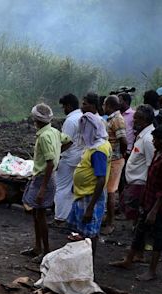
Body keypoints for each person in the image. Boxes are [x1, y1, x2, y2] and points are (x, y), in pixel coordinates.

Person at [110, 127, 162, 281]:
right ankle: (129, 260)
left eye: (155, 139)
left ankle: (152, 271)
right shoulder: (157, 154)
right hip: (148, 200)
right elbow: (150, 180)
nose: (152, 142)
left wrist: (154, 210)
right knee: (140, 231)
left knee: (157, 236)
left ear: (161, 140)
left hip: (157, 205)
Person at [22, 103, 71, 260]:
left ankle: (46, 250)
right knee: (37, 213)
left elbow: (50, 163)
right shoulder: (54, 131)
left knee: (40, 215)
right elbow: (69, 141)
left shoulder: (43, 137)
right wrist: (58, 153)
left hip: (44, 178)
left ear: (35, 119)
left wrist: (43, 188)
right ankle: (38, 247)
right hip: (44, 177)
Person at [67, 93, 111, 256]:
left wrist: (90, 208)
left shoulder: (98, 150)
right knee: (82, 232)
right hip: (83, 193)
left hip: (90, 196)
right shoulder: (95, 145)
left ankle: (86, 264)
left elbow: (100, 180)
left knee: (89, 234)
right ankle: (82, 261)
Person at [119, 105, 156, 221]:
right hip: (134, 184)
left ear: (144, 121)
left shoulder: (148, 139)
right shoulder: (142, 136)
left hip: (140, 186)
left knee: (137, 218)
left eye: (137, 118)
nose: (133, 121)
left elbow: (152, 166)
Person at [54, 94, 83, 224]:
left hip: (69, 158)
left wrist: (55, 154)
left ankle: (60, 217)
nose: (63, 109)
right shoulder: (83, 117)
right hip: (80, 157)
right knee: (73, 189)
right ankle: (70, 215)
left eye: (64, 107)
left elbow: (67, 142)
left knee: (61, 188)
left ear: (69, 106)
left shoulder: (70, 121)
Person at [101, 95, 127, 235]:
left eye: (104, 104)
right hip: (110, 158)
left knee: (111, 192)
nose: (103, 107)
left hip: (115, 160)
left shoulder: (117, 120)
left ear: (109, 106)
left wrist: (120, 155)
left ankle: (110, 223)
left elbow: (123, 140)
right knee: (108, 190)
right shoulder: (112, 119)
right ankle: (108, 219)